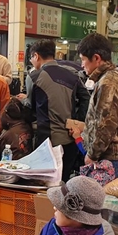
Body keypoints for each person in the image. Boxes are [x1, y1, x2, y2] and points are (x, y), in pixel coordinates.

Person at [69, 33, 118, 178]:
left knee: (105, 201)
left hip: (113, 159)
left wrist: (92, 154)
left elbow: (105, 124)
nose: (81, 65)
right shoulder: (110, 77)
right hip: (115, 158)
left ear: (96, 58)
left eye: (83, 60)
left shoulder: (108, 82)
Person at [24, 40, 90, 181]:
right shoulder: (72, 75)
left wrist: (22, 100)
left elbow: (30, 106)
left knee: (46, 186)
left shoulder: (34, 77)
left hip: (47, 142)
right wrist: (78, 120)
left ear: (36, 56)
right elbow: (87, 98)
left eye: (31, 58)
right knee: (64, 182)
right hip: (71, 139)